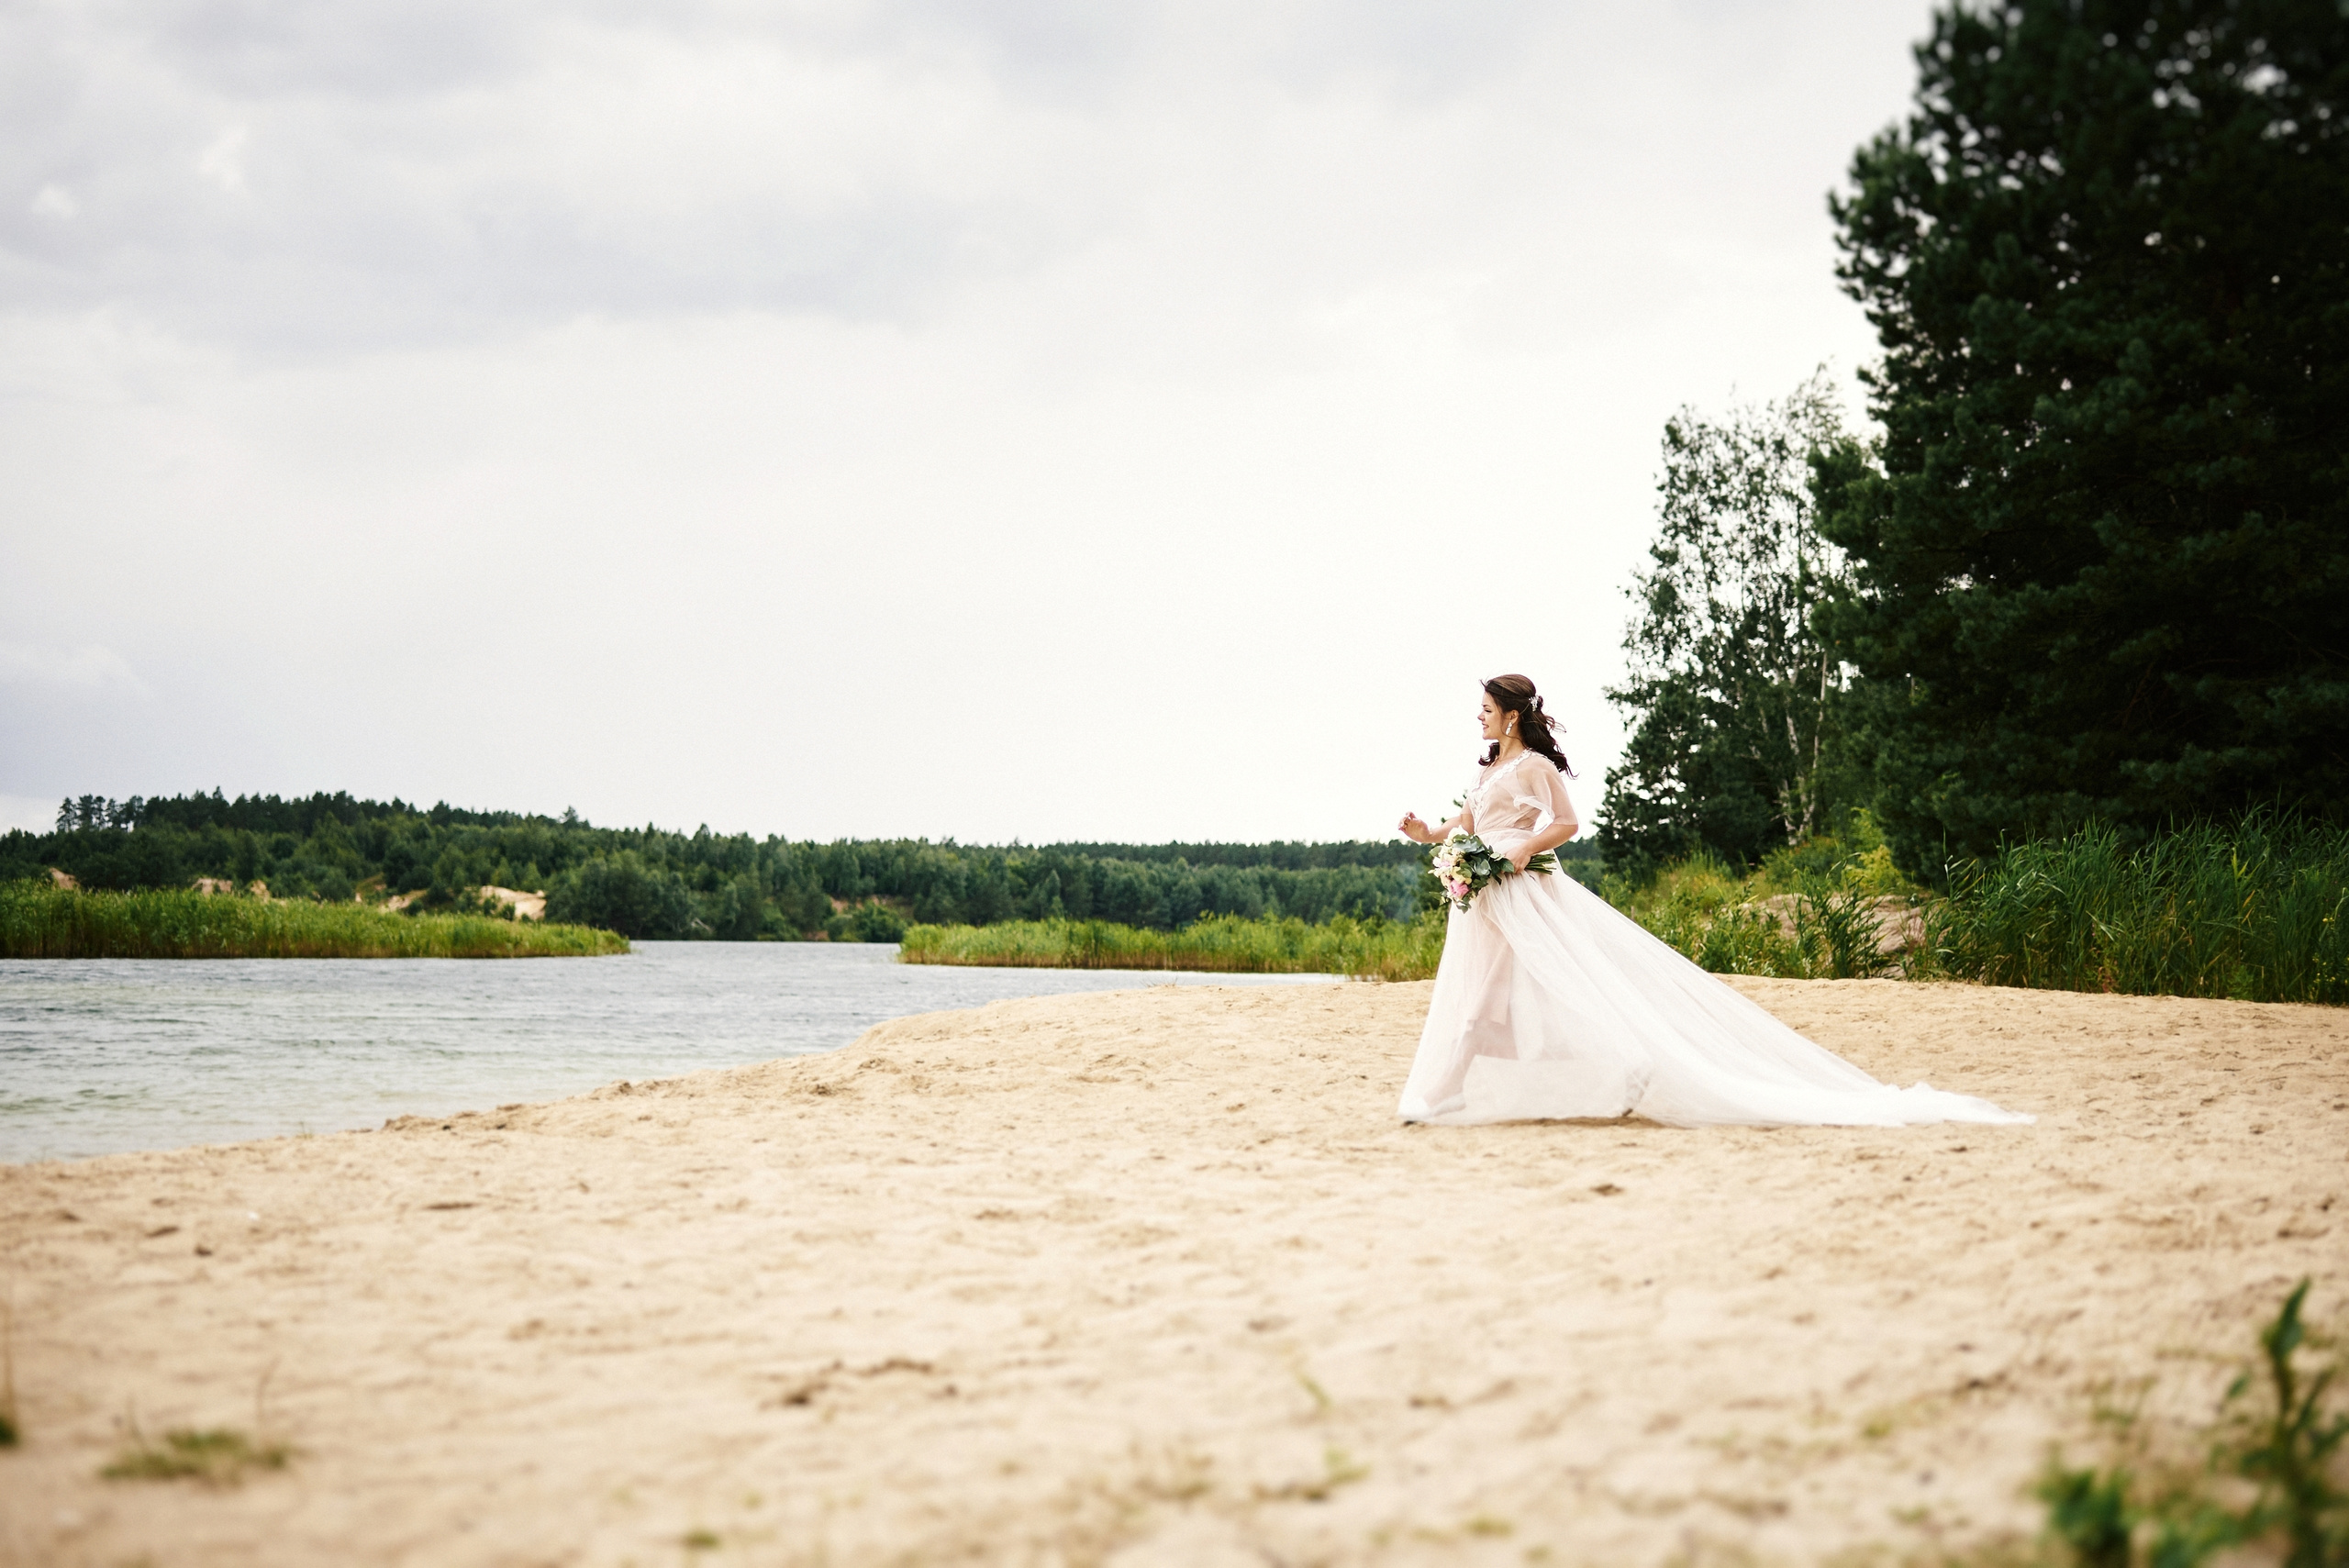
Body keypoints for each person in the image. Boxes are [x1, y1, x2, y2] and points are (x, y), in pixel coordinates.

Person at [1393, 674, 2031, 1129]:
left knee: (1490, 1007)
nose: (1478, 717)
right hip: (1486, 895)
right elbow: (1467, 820)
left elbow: (1567, 824)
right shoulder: (1488, 770)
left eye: (1485, 708)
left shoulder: (1536, 765)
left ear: (1511, 714)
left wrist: (1525, 849)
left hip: (1525, 892)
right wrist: (1431, 834)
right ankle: (1606, 1064)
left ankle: (1444, 1096)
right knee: (1496, 1007)